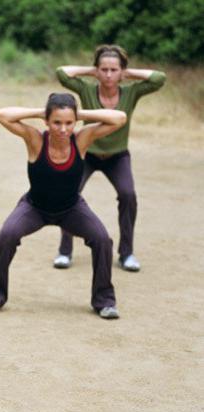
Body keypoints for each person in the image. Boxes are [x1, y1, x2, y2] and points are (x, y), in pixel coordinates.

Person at [0, 93, 126, 319]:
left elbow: (120, 118)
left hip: (72, 209)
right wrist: (42, 112)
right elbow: (3, 115)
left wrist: (77, 113)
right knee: (6, 236)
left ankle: (104, 301)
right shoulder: (36, 139)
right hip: (34, 208)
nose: (64, 129)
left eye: (69, 123)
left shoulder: (82, 139)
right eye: (57, 122)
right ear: (47, 121)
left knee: (102, 240)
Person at [52, 45, 166, 272]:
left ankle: (127, 253)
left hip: (117, 156)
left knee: (128, 195)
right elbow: (62, 73)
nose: (108, 75)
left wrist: (128, 73)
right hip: (87, 153)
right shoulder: (86, 90)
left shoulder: (131, 92)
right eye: (103, 69)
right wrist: (90, 70)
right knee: (68, 193)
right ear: (97, 71)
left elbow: (159, 78)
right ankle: (65, 251)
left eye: (114, 70)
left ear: (121, 72)